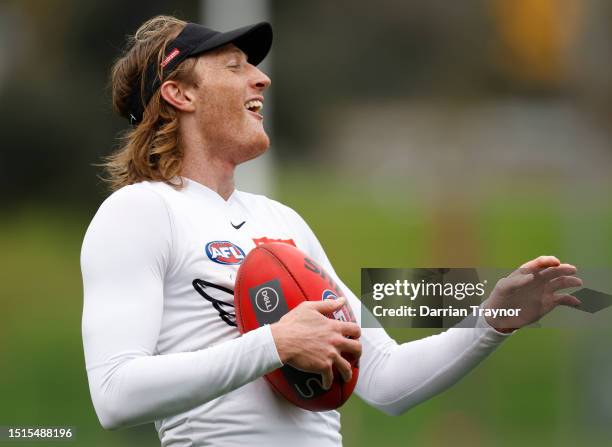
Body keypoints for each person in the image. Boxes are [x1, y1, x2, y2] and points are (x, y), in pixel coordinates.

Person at [80, 15, 583, 447]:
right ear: (179, 93)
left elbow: (384, 378)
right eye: (234, 66)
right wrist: (275, 343)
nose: (261, 79)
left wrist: (494, 318)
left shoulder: (281, 221)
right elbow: (116, 395)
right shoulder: (140, 211)